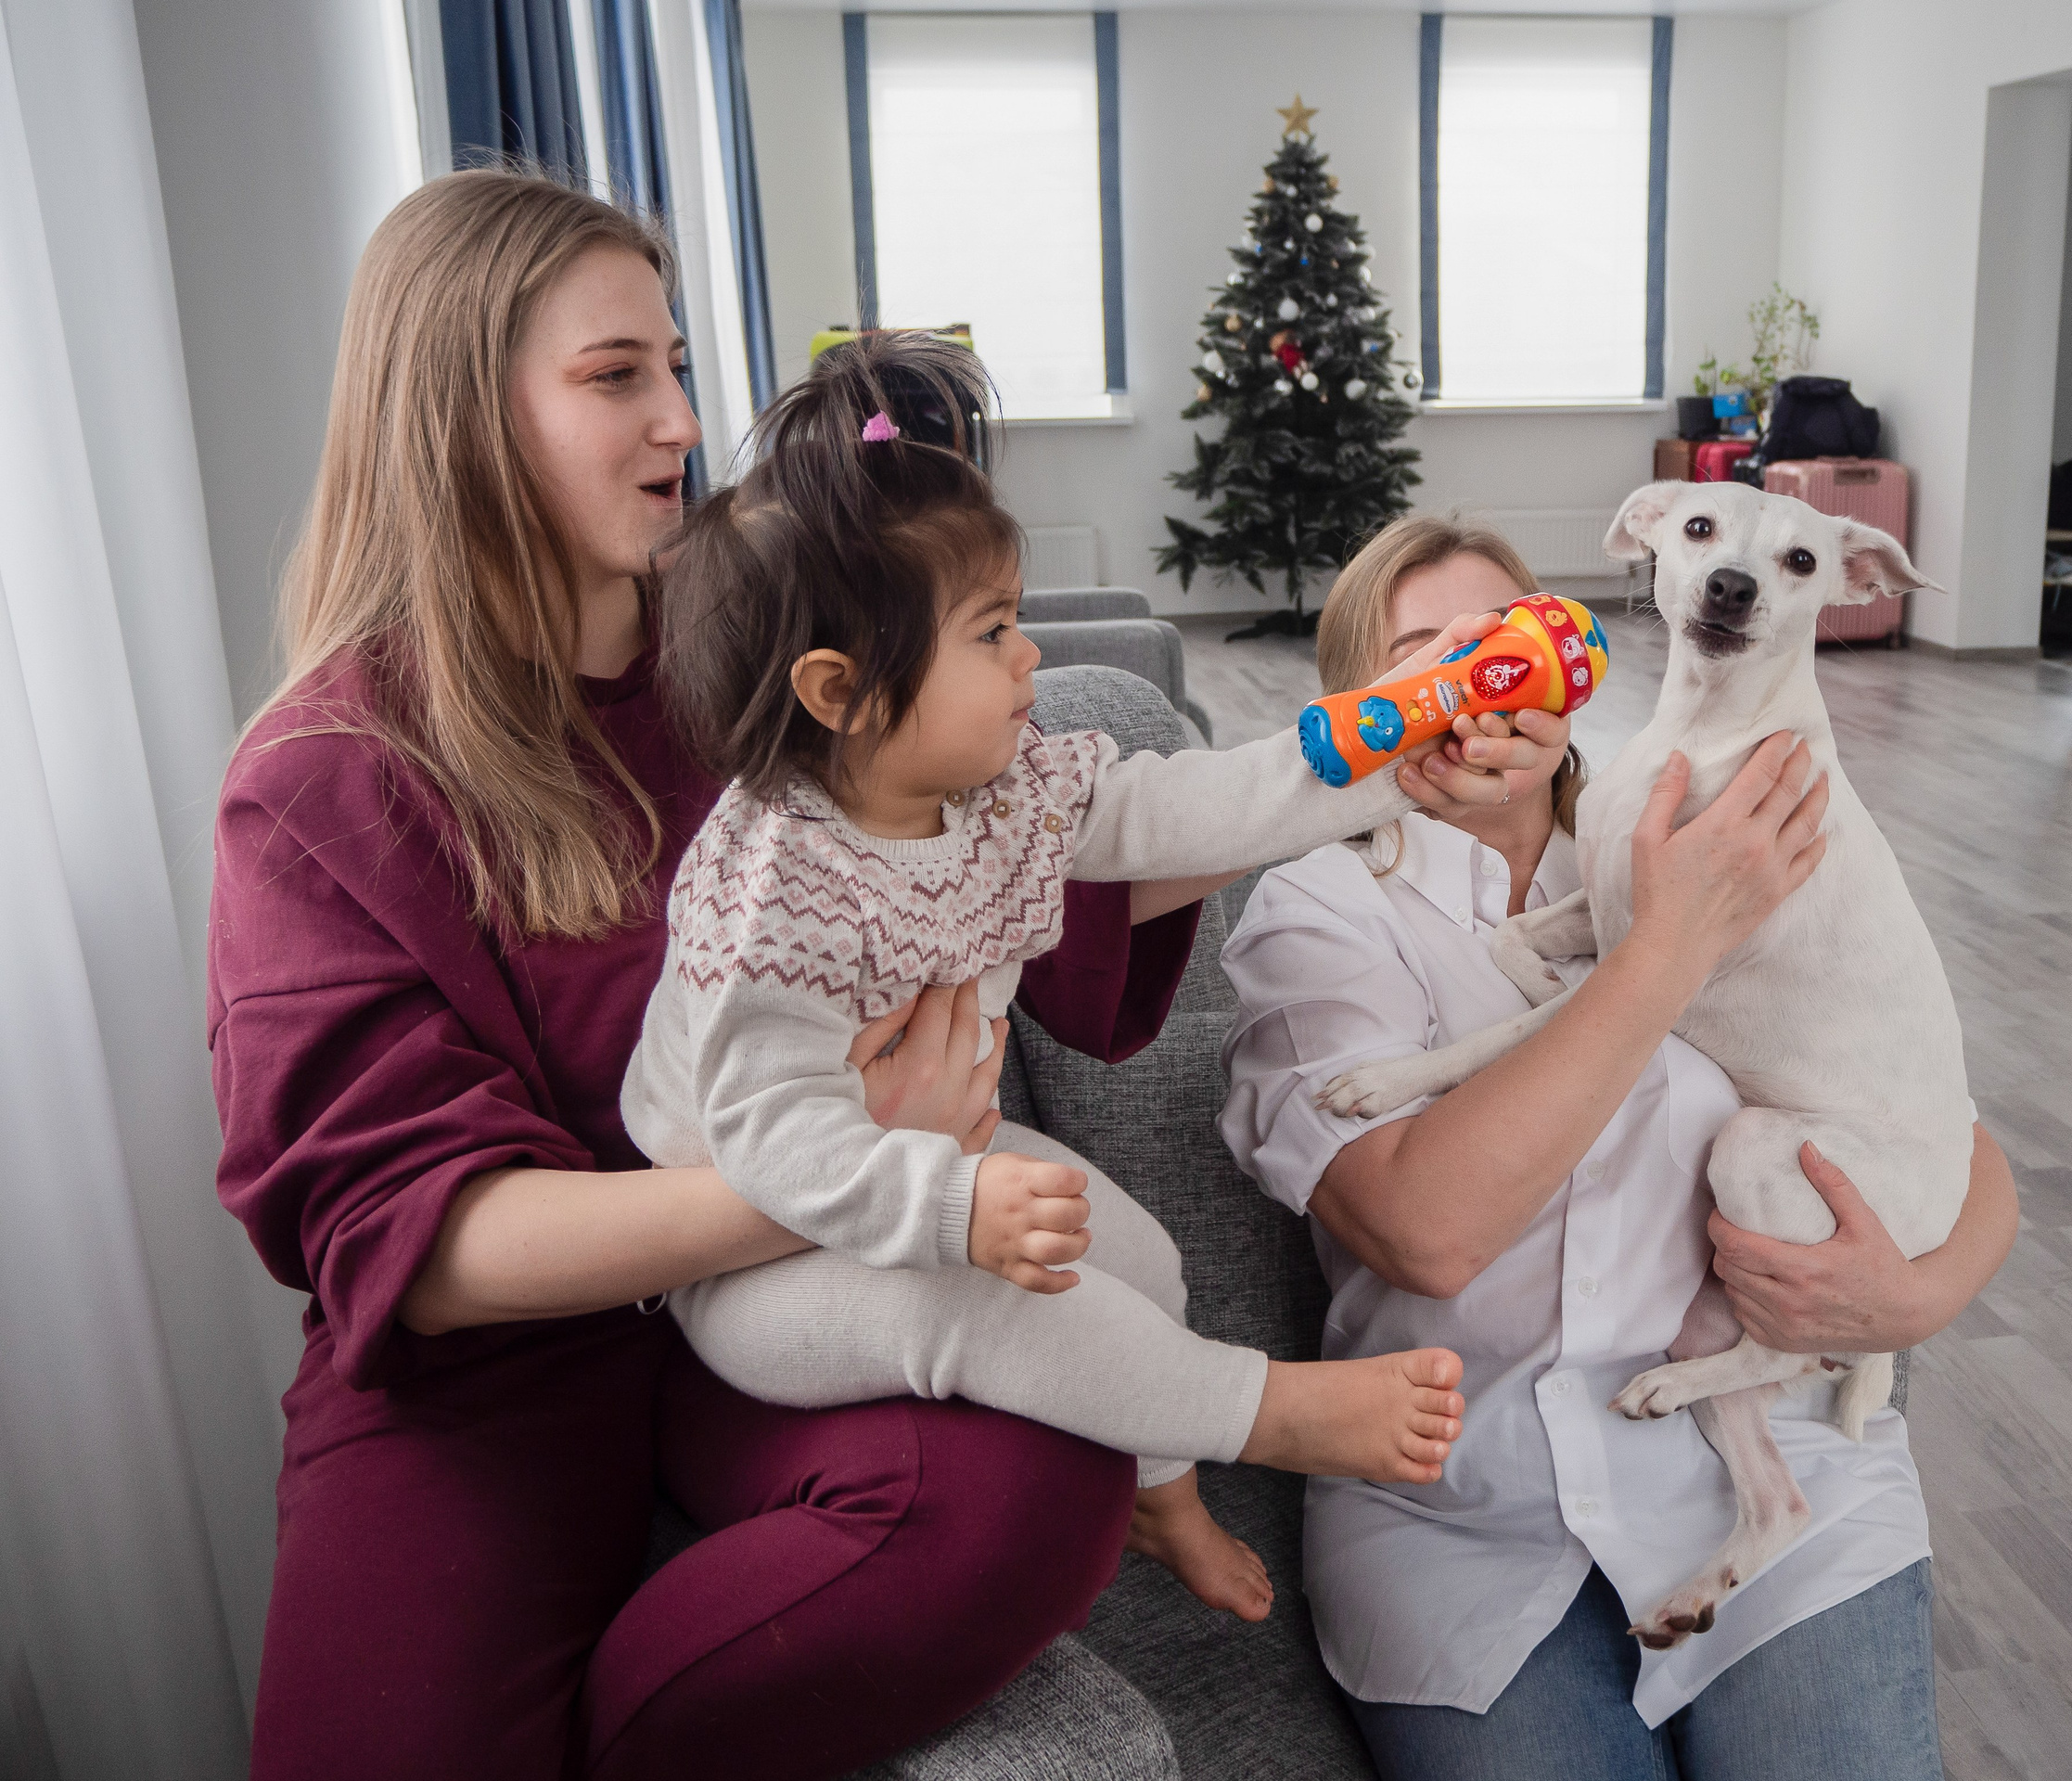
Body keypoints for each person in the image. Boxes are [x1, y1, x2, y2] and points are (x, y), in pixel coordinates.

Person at [211, 171, 1229, 1780]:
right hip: (496, 1377)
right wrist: (849, 1164)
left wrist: (1373, 770)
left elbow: (1040, 854)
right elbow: (421, 1243)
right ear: (461, 415)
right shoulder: (326, 778)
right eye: (617, 377)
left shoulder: (762, 652)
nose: (684, 418)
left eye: (678, 363)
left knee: (1041, 1485)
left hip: (773, 1308)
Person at [624, 335, 1505, 1623]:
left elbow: (1187, 808)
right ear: (844, 693)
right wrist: (952, 1206)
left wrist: (1386, 740)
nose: (1030, 657)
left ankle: (1164, 1493)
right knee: (985, 1308)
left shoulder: (1001, 782)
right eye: (992, 633)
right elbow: (770, 1145)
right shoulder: (771, 895)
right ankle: (1266, 1414)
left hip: (932, 1162)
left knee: (1138, 1258)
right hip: (756, 1261)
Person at [1219, 515, 2021, 1781]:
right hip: (1467, 1528)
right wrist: (1670, 946)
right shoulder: (1317, 915)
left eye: (1502, 641)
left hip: (1772, 1473)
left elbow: (1942, 1119)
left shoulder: (1741, 830)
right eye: (1425, 656)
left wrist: (1918, 1293)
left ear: (1567, 661)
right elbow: (1426, 1231)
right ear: (1362, 709)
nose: (1477, 679)